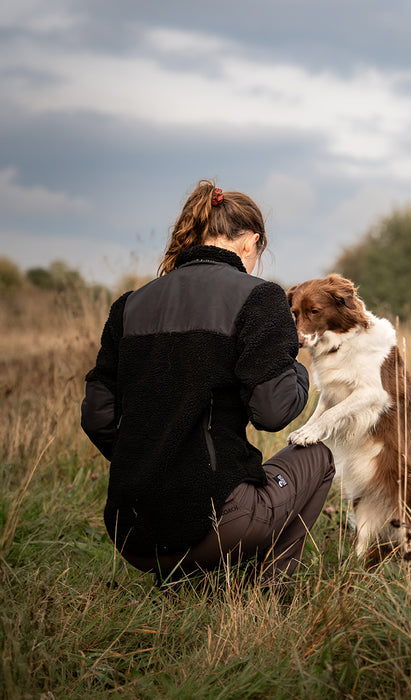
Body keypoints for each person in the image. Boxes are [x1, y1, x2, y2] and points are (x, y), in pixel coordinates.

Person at [81, 179, 335, 586]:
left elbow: (97, 416)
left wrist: (148, 460)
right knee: (319, 457)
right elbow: (273, 412)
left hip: (131, 534)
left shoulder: (129, 305)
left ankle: (191, 580)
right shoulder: (260, 298)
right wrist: (300, 369)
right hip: (217, 526)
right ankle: (271, 592)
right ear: (251, 242)